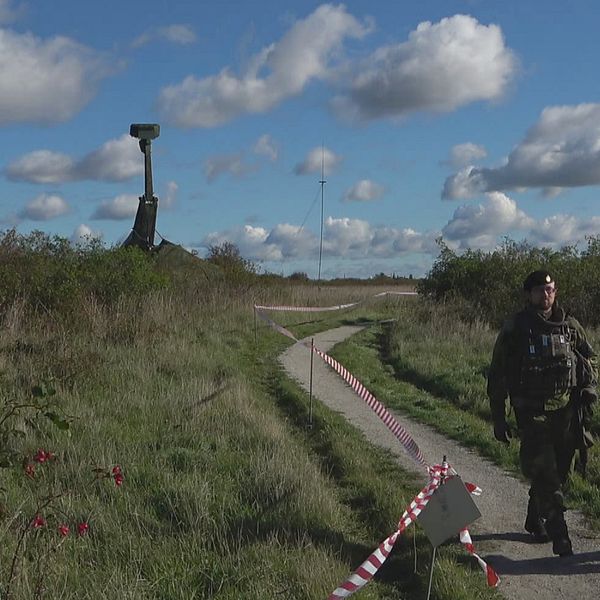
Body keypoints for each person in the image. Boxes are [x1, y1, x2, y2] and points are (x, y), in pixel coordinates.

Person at [487, 270, 597, 556]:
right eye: (539, 290)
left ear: (555, 291)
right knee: (546, 472)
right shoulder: (516, 328)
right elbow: (497, 375)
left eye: (549, 289)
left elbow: (590, 357)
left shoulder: (569, 326)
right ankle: (560, 534)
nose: (545, 294)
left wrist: (588, 386)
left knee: (560, 472)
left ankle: (535, 517)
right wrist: (498, 417)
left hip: (565, 412)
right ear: (529, 294)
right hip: (531, 412)